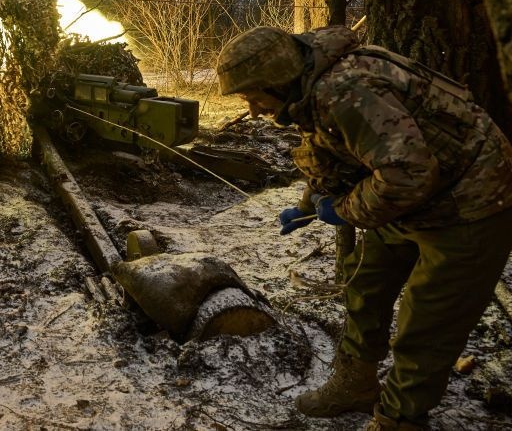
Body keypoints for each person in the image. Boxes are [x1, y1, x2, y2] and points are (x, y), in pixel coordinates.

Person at [215, 25, 512, 431]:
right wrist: (307, 205)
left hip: (473, 199)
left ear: (277, 81)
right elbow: (332, 154)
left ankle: (398, 419)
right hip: (412, 197)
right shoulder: (310, 86)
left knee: (426, 322)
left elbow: (408, 175)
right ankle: (355, 383)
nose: (253, 110)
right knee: (365, 284)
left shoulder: (346, 90)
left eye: (254, 96)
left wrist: (346, 210)